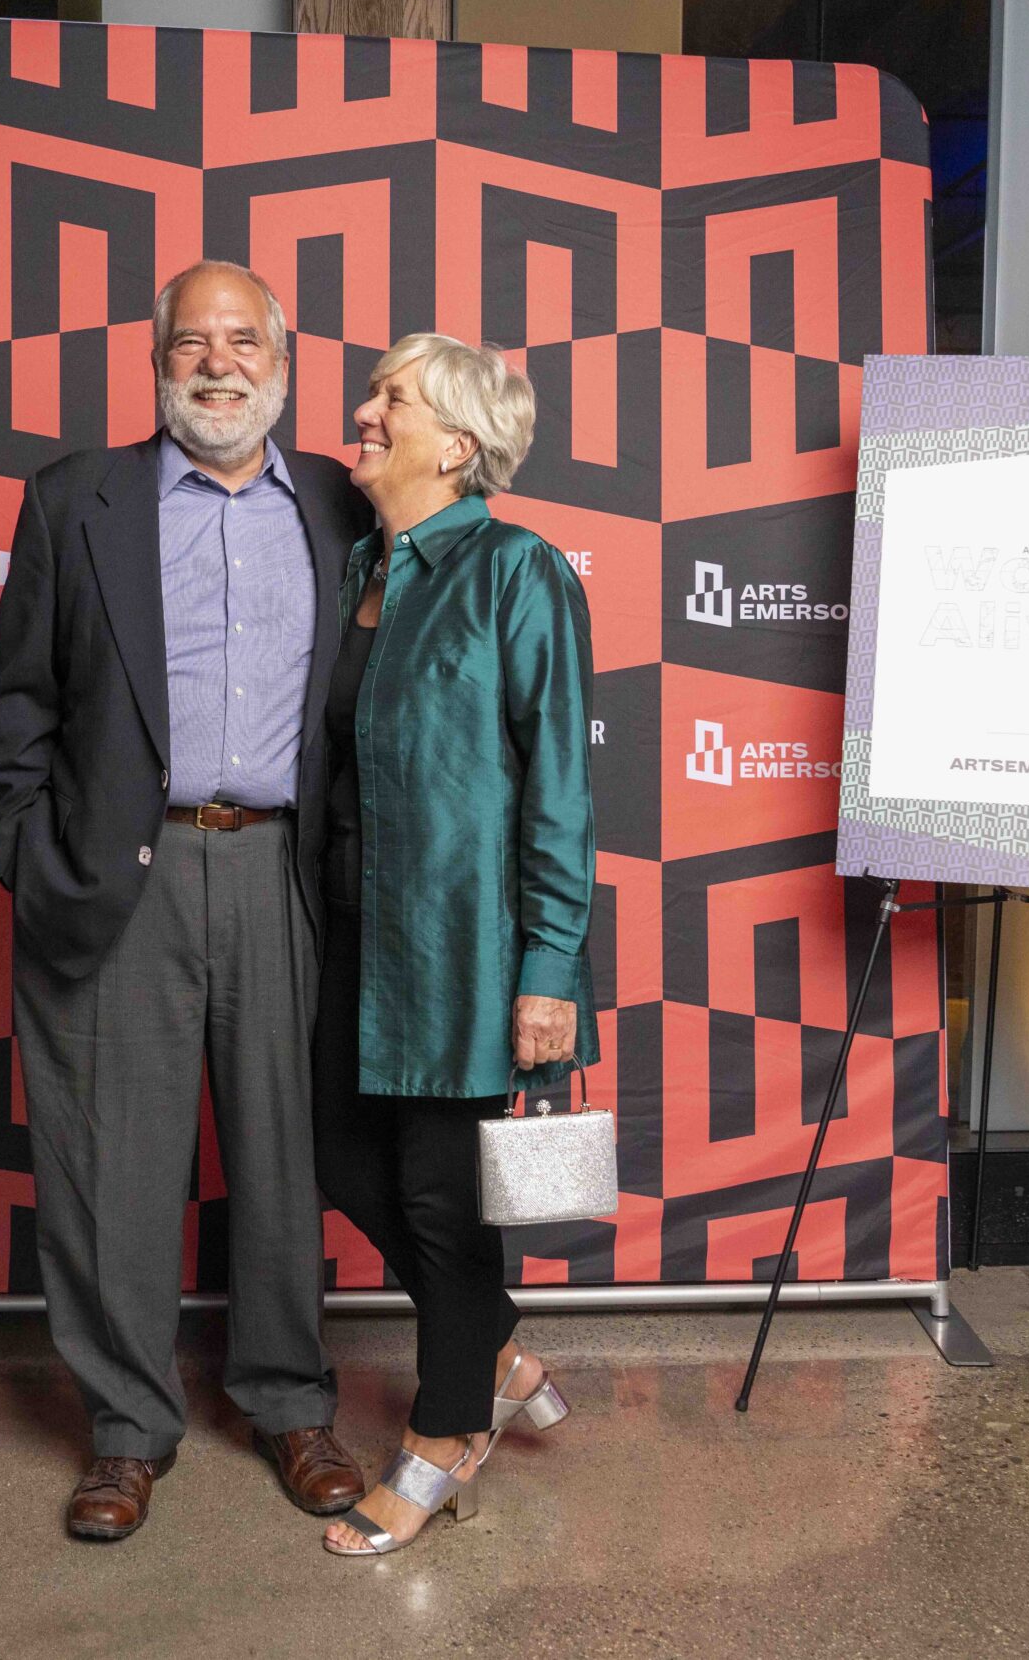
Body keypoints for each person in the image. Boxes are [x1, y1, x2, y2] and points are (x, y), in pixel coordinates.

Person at [0, 261, 372, 1541]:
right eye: (192, 342)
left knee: (285, 1154)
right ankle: (124, 1428)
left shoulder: (341, 502)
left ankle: (290, 1401)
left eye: (242, 340)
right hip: (119, 874)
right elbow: (18, 706)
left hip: (280, 869)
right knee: (111, 1163)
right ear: (157, 363)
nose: (218, 363)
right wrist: (32, 854)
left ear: (283, 362)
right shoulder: (74, 499)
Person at [311, 332, 600, 1557]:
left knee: (439, 1198)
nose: (365, 411)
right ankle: (498, 1349)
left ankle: (444, 1433)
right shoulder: (358, 568)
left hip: (463, 945)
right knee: (337, 1159)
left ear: (456, 446)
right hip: (350, 931)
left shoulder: (514, 570)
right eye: (373, 392)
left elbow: (558, 787)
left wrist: (548, 969)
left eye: (394, 398)